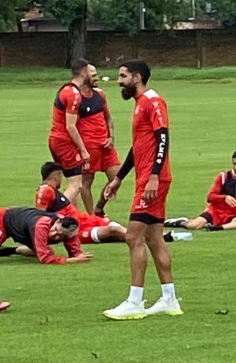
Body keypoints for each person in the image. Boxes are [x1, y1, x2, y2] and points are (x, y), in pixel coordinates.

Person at [100, 59, 181, 320]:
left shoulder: (152, 101)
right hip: (146, 179)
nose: (119, 81)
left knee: (133, 236)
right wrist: (119, 178)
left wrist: (154, 176)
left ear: (136, 77)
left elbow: (163, 137)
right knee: (153, 238)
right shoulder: (139, 105)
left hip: (151, 181)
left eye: (122, 76)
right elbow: (139, 147)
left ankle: (135, 301)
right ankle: (169, 299)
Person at [46, 59, 106, 207]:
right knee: (76, 184)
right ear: (83, 72)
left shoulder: (65, 89)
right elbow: (71, 126)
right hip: (64, 142)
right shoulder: (74, 94)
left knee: (71, 180)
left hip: (55, 139)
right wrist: (83, 150)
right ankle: (55, 215)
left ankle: (73, 218)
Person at [165, 151, 236, 232]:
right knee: (195, 225)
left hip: (235, 216)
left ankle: (219, 228)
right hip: (216, 212)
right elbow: (210, 197)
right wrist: (224, 198)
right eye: (235, 164)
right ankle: (180, 222)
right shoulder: (223, 177)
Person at [35, 162, 128, 244]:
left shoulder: (52, 191)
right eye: (60, 176)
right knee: (114, 230)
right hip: (80, 229)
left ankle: (137, 238)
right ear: (56, 176)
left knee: (120, 231)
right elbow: (39, 217)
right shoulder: (45, 190)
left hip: (88, 221)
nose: (61, 180)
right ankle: (138, 239)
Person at [78, 64, 120, 216]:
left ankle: (99, 208)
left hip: (106, 145)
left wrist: (111, 136)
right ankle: (91, 217)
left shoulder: (99, 94)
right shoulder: (76, 98)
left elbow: (107, 117)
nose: (97, 77)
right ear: (84, 75)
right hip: (88, 146)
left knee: (116, 177)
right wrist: (81, 148)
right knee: (86, 182)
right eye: (93, 75)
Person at [0, 207, 91, 265]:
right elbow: (44, 259)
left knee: (49, 252)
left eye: (60, 235)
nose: (53, 234)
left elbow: (76, 253)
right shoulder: (41, 225)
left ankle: (8, 251)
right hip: (3, 219)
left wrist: (79, 255)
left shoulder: (70, 229)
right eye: (55, 229)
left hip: (24, 231)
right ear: (56, 221)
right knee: (45, 253)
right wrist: (69, 261)